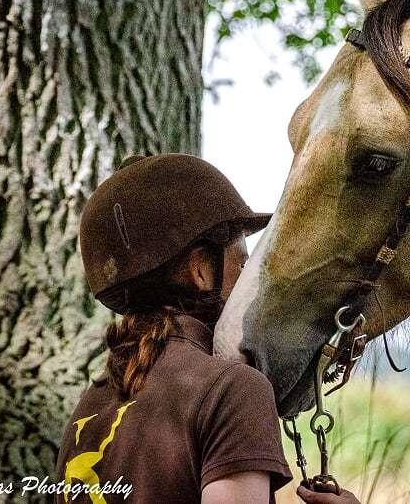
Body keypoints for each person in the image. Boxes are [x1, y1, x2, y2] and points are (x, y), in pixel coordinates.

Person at [55, 153, 360, 504]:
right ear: (200, 271)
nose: (247, 277)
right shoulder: (233, 389)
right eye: (241, 262)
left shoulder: (90, 406)